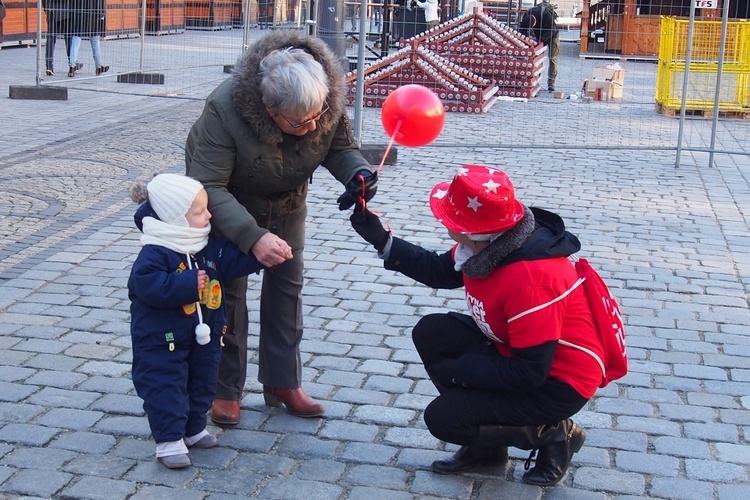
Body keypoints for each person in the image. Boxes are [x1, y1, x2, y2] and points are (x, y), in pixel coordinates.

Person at [350, 165, 603, 487]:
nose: (442, 221)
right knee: (433, 333)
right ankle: (487, 450)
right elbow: (439, 271)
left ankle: (555, 433)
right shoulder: (497, 241)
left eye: (446, 218)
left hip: (557, 383)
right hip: (513, 353)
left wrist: (460, 371)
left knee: (444, 419)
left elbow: (529, 373)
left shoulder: (531, 280)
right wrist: (383, 240)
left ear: (469, 229)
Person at [185, 30, 377, 426]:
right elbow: (209, 186)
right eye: (298, 122)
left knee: (287, 289)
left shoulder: (322, 100)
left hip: (288, 202)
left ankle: (282, 382)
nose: (311, 127)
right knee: (227, 295)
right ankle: (225, 389)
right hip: (228, 205)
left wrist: (358, 173)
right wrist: (252, 237)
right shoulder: (223, 110)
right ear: (269, 110)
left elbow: (339, 148)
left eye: (317, 117)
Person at [128, 173, 292, 470]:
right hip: (161, 340)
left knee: (202, 382)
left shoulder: (207, 244)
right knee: (166, 386)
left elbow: (232, 260)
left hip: (204, 335)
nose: (209, 215)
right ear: (175, 217)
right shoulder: (155, 251)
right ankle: (168, 440)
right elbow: (146, 285)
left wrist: (264, 256)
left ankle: (192, 428)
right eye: (199, 211)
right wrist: (190, 283)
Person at [519, 1, 559, 92]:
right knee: (538, 58)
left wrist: (542, 40)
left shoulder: (545, 14)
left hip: (553, 34)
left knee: (553, 58)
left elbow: (553, 29)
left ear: (534, 23)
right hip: (540, 35)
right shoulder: (526, 16)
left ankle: (551, 84)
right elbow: (522, 31)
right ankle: (536, 81)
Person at [67, 0, 108, 77]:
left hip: (78, 17)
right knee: (95, 43)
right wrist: (101, 15)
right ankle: (98, 66)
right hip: (92, 18)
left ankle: (72, 67)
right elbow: (98, 3)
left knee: (75, 42)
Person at [42, 0, 81, 76]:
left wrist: (46, 8)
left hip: (52, 11)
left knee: (51, 39)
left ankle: (49, 66)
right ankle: (72, 64)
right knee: (68, 38)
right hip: (66, 12)